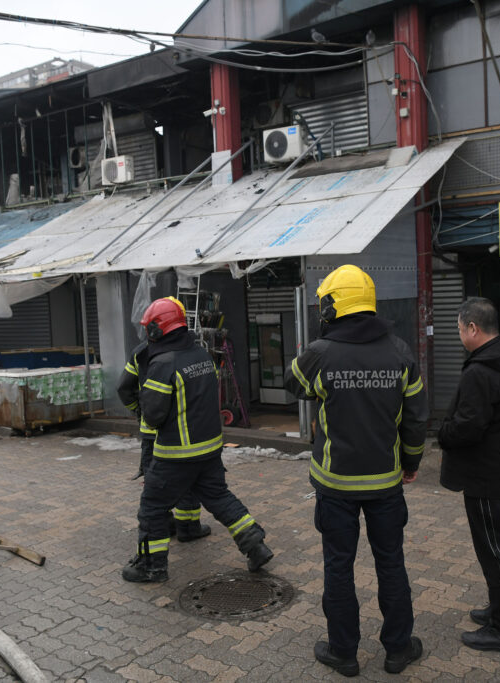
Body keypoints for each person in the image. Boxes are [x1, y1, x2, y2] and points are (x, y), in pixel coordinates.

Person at [285, 264, 427, 677]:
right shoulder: (400, 351)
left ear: (333, 304)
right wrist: (411, 462)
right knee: (391, 565)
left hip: (335, 486)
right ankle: (398, 650)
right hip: (386, 483)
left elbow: (298, 387)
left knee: (338, 567)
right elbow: (416, 418)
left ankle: (343, 652)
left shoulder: (319, 352)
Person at [121, 297, 273, 583]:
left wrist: (142, 406)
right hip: (210, 449)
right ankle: (256, 546)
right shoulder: (201, 355)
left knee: (152, 507)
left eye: (149, 328)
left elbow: (153, 416)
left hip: (176, 455)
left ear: (157, 330)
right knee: (219, 498)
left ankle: (151, 567)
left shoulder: (162, 363)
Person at [437, 297, 500, 655]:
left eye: (460, 329)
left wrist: (443, 434)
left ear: (473, 328)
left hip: (486, 476)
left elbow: (468, 426)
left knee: (495, 552)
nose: (460, 335)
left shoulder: (481, 371)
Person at [117, 300, 210, 544]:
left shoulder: (140, 352)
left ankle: (164, 525)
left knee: (155, 483)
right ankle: (188, 527)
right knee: (187, 479)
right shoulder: (188, 353)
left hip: (151, 433)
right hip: (181, 431)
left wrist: (138, 411)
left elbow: (123, 388)